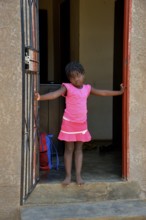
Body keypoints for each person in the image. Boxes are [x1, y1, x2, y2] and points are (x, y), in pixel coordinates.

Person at [34, 61, 124, 186]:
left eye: (78, 75)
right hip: (69, 124)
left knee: (79, 150)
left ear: (83, 74)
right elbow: (54, 94)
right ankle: (68, 176)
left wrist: (119, 92)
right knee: (69, 149)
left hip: (81, 124)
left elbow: (103, 92)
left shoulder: (87, 88)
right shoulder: (67, 87)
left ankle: (78, 176)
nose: (76, 79)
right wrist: (40, 97)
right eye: (73, 77)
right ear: (69, 79)